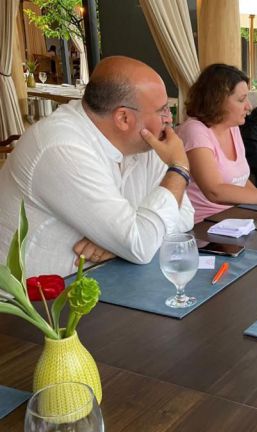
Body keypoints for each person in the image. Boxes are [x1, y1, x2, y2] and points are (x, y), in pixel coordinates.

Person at [0, 56, 194, 277]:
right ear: (123, 118)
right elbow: (141, 246)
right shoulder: (62, 147)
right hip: (32, 302)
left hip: (100, 284)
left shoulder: (146, 143)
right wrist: (179, 168)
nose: (169, 119)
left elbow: (185, 214)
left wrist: (118, 245)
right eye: (162, 111)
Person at [176, 64, 257, 223]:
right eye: (241, 99)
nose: (249, 106)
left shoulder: (232, 127)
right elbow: (215, 191)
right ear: (217, 101)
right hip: (205, 227)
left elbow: (240, 182)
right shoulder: (195, 131)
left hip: (235, 220)